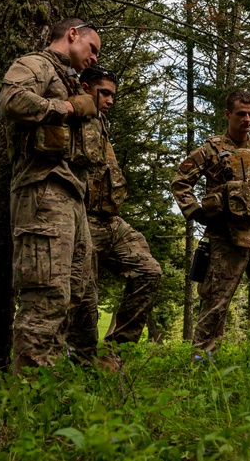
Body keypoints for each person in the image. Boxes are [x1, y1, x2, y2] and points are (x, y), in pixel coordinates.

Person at [0, 17, 103, 372]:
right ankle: (30, 394)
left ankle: (53, 384)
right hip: (42, 191)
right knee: (44, 295)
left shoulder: (70, 79)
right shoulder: (34, 64)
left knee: (73, 291)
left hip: (72, 196)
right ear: (73, 34)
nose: (94, 58)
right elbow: (12, 100)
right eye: (92, 49)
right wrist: (68, 108)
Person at [171, 90, 250, 354]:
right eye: (241, 114)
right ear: (228, 114)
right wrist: (196, 213)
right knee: (215, 304)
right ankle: (202, 362)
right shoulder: (211, 150)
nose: (247, 119)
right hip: (226, 237)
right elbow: (180, 182)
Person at [75, 66, 161, 346]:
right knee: (84, 299)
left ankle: (118, 349)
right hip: (82, 220)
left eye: (114, 95)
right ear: (86, 89)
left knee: (149, 271)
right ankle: (80, 361)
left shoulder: (100, 123)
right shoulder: (71, 118)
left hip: (111, 222)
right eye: (106, 93)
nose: (111, 100)